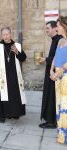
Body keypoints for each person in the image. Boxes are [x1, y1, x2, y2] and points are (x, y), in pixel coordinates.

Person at [0, 27, 26, 123]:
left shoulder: (16, 45)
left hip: (14, 75)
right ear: (1, 35)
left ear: (11, 34)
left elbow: (23, 58)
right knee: (2, 95)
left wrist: (17, 52)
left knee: (14, 95)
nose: (6, 36)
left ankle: (15, 113)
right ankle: (2, 114)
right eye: (4, 34)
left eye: (7, 34)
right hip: (1, 75)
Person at [39, 21, 62, 128]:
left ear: (54, 28)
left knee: (52, 97)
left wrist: (45, 59)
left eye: (48, 28)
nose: (46, 30)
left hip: (56, 74)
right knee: (50, 96)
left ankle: (52, 121)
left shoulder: (59, 40)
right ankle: (50, 119)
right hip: (51, 72)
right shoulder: (55, 40)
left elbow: (60, 58)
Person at [50, 16, 67, 144]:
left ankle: (65, 136)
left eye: (58, 25)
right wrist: (52, 71)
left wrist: (59, 72)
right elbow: (55, 57)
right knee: (59, 105)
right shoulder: (60, 40)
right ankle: (61, 134)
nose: (57, 27)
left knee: (65, 107)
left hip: (65, 77)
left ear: (64, 26)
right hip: (57, 77)